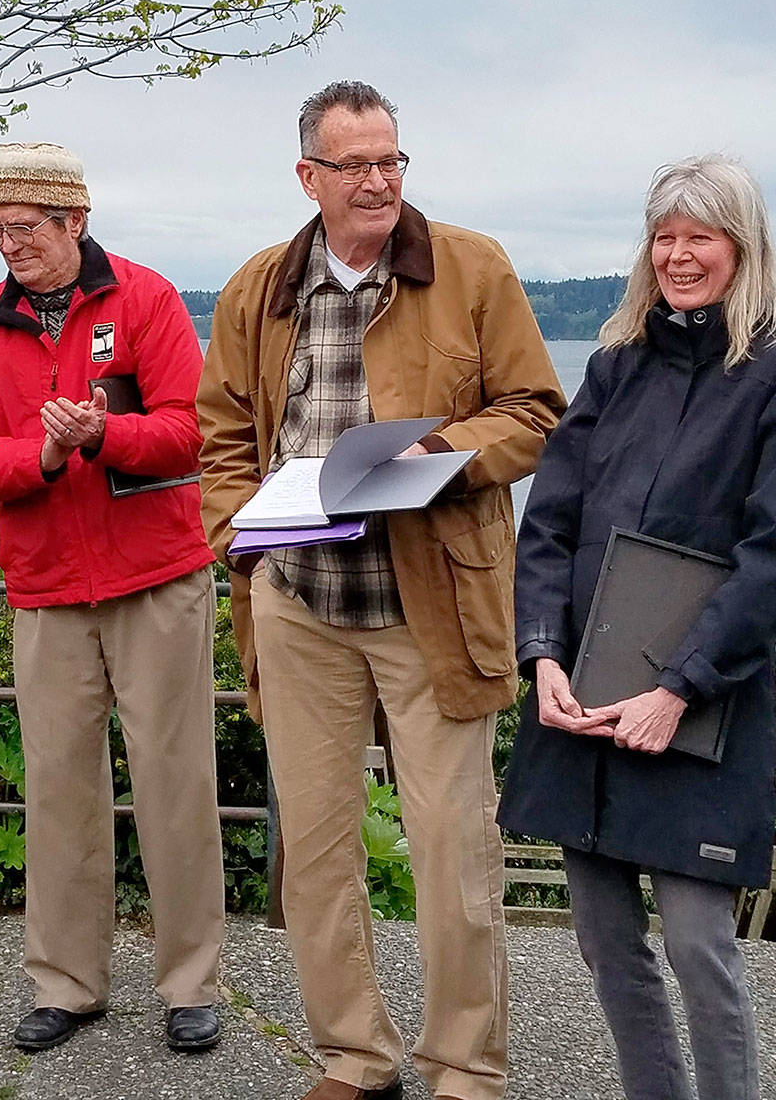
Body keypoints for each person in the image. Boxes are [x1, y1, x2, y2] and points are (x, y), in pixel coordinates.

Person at [197, 81, 564, 1100]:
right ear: (307, 176)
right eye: (353, 164)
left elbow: (536, 410)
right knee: (316, 854)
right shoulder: (257, 287)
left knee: (453, 852)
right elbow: (218, 434)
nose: (376, 181)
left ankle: (464, 1069)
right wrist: (240, 537)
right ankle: (355, 1059)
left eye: (390, 160)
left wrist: (433, 456)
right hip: (299, 601)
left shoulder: (472, 266)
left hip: (429, 603)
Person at [498, 155, 776, 1100]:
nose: (679, 256)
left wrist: (678, 688)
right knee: (606, 942)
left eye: (701, 237)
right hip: (583, 703)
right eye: (665, 237)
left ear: (743, 248)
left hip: (702, 705)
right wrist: (542, 655)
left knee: (698, 946)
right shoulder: (614, 368)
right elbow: (549, 524)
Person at [0, 141, 225, 1054]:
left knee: (176, 784)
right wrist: (46, 454)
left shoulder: (146, 297)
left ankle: (191, 984)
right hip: (48, 587)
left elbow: (193, 431)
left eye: (25, 227)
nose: (10, 245)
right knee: (58, 790)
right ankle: (67, 983)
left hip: (157, 578)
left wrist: (106, 435)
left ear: (76, 220)